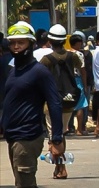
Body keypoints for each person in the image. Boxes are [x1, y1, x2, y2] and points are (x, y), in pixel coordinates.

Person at [0, 21, 65, 187]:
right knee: (20, 182)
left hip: (27, 136)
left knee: (25, 183)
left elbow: (54, 103)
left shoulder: (39, 71)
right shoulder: (14, 71)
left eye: (21, 42)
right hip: (13, 136)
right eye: (13, 43)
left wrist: (56, 139)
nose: (16, 47)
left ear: (31, 44)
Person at [40, 24, 85, 179]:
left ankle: (61, 168)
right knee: (61, 132)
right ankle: (58, 167)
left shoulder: (46, 60)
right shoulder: (73, 56)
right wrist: (85, 90)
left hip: (52, 101)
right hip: (69, 100)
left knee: (54, 135)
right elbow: (81, 70)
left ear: (50, 40)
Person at [67, 34, 90, 136]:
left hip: (67, 81)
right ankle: (79, 129)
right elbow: (83, 70)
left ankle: (67, 127)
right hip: (77, 80)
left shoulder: (66, 54)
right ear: (77, 43)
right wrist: (85, 85)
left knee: (67, 105)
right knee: (80, 105)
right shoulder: (79, 55)